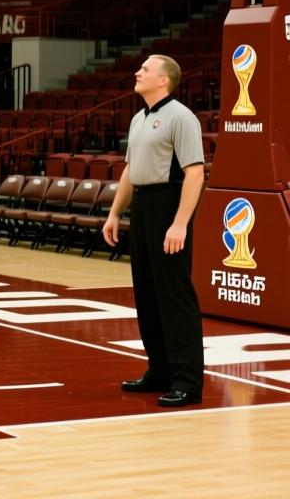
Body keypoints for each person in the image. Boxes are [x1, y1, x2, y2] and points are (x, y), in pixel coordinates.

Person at [102, 54, 206, 408]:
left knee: (174, 297)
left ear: (164, 80)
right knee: (146, 295)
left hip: (168, 204)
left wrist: (179, 223)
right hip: (143, 206)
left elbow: (195, 173)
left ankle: (188, 382)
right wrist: (115, 213)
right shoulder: (137, 120)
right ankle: (159, 371)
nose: (137, 72)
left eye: (145, 69)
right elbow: (131, 171)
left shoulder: (181, 117)